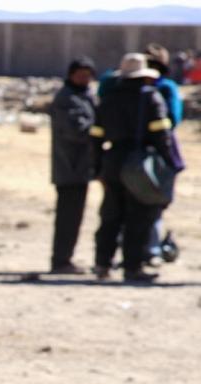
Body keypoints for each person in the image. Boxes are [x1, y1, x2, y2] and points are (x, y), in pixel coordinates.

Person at [90, 53, 175, 283]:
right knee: (138, 217)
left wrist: (97, 166)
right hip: (138, 164)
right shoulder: (150, 99)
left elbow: (96, 135)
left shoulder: (109, 99)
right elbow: (162, 134)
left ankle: (102, 264)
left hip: (112, 162)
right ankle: (132, 267)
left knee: (110, 215)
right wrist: (171, 163)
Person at [48, 57, 97, 274]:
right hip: (70, 167)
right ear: (71, 75)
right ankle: (61, 261)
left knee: (74, 216)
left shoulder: (84, 96)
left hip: (81, 167)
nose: (85, 79)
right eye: (81, 75)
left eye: (88, 75)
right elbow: (76, 131)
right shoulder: (66, 99)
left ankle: (64, 259)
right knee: (68, 217)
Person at [143, 43, 185, 265]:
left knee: (149, 203)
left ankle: (146, 250)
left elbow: (173, 120)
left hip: (149, 152)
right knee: (147, 203)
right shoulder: (161, 88)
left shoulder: (163, 88)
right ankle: (146, 250)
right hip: (150, 152)